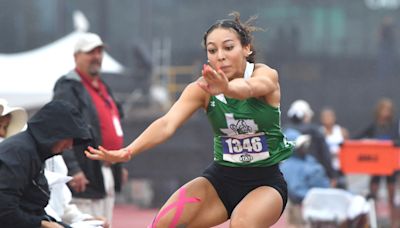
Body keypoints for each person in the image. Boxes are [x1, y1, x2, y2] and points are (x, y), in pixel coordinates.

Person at [86, 12, 294, 227]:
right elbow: (167, 124)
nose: (220, 56)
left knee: (241, 224)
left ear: (246, 48)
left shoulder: (265, 75)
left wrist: (227, 88)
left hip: (265, 184)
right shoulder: (201, 88)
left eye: (228, 47)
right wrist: (129, 151)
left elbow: (248, 88)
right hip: (221, 180)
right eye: (212, 50)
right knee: (163, 223)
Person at [52, 32, 127, 223]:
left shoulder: (102, 86)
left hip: (105, 168)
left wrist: (119, 166)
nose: (96, 56)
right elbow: (60, 128)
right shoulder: (68, 87)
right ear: (76, 56)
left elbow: (113, 126)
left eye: (99, 51)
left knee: (104, 221)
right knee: (87, 221)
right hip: (85, 172)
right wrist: (73, 168)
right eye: (90, 52)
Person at [0, 100, 91, 228]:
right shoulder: (19, 152)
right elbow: (4, 210)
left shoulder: (31, 151)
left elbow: (30, 206)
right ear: (55, 132)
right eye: (69, 137)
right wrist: (42, 224)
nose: (70, 145)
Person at [356, 97, 399, 227]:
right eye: (384, 109)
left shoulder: (395, 125)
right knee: (372, 195)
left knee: (392, 196)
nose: (386, 112)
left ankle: (394, 224)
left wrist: (390, 144)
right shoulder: (373, 125)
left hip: (391, 164)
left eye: (389, 110)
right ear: (379, 110)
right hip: (376, 164)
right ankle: (370, 222)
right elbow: (358, 136)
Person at [44, 155, 109, 228]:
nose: (69, 147)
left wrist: (86, 219)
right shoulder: (31, 157)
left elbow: (62, 205)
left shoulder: (57, 160)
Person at [280, 134, 330, 227]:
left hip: (321, 204)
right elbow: (295, 191)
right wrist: (313, 198)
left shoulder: (309, 159)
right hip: (301, 208)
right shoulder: (289, 166)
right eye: (302, 144)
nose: (305, 147)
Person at [285, 99, 337, 187]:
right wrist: (332, 176)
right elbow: (325, 155)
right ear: (306, 115)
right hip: (313, 179)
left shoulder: (285, 131)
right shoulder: (315, 131)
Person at [319, 107, 349, 189]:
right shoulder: (319, 132)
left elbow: (348, 149)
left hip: (340, 167)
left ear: (334, 118)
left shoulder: (342, 132)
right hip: (326, 168)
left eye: (329, 116)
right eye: (325, 117)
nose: (327, 119)